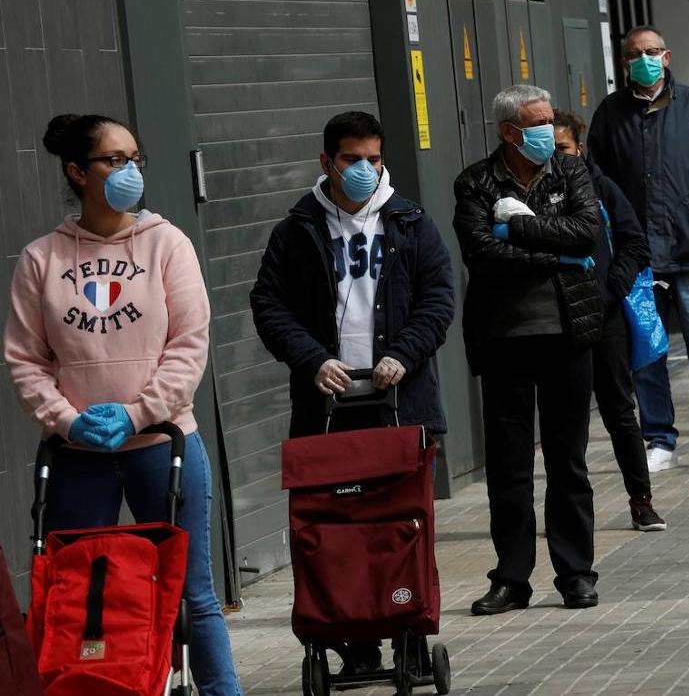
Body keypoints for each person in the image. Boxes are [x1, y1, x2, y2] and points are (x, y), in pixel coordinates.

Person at [5, 114, 243, 696]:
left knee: (192, 591)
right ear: (77, 172)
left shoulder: (167, 243)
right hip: (77, 454)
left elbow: (189, 345)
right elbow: (26, 360)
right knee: (79, 587)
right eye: (114, 160)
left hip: (164, 445)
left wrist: (138, 413)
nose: (130, 170)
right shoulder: (42, 260)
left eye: (135, 158)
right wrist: (68, 421)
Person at [249, 111, 456, 670]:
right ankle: (355, 646)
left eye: (373, 159)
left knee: (403, 531)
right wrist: (313, 360)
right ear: (326, 162)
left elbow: (439, 299)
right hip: (327, 413)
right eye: (350, 160)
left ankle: (408, 634)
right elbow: (269, 305)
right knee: (338, 537)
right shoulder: (297, 230)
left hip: (400, 408)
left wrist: (403, 355)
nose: (364, 169)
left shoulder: (411, 222)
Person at [453, 85, 603, 615]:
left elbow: (587, 234)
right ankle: (512, 579)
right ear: (509, 131)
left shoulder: (570, 171)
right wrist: (557, 259)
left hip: (568, 333)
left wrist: (517, 226)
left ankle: (576, 574)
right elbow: (483, 255)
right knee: (509, 467)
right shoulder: (475, 182)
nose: (547, 131)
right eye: (537, 123)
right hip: (504, 340)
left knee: (568, 461)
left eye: (549, 121)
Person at [587, 25, 689, 472]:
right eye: (636, 54)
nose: (645, 59)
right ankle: (660, 439)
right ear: (623, 63)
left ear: (667, 56)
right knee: (649, 352)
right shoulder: (610, 113)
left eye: (652, 52)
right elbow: (596, 181)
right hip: (638, 258)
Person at [552, 109, 666, 532]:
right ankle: (568, 509)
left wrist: (608, 291)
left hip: (605, 315)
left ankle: (642, 500)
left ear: (578, 149)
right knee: (567, 417)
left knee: (619, 409)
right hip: (558, 320)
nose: (556, 158)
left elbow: (635, 246)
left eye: (562, 148)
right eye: (548, 150)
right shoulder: (534, 192)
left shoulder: (601, 187)